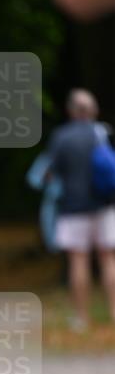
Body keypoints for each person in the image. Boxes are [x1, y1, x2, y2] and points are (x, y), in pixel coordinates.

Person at [46, 89, 115, 330]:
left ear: (71, 111)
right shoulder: (104, 133)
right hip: (105, 205)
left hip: (73, 207)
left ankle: (82, 318)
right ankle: (114, 312)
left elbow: (50, 173)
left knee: (78, 261)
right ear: (94, 110)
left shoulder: (62, 137)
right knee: (108, 259)